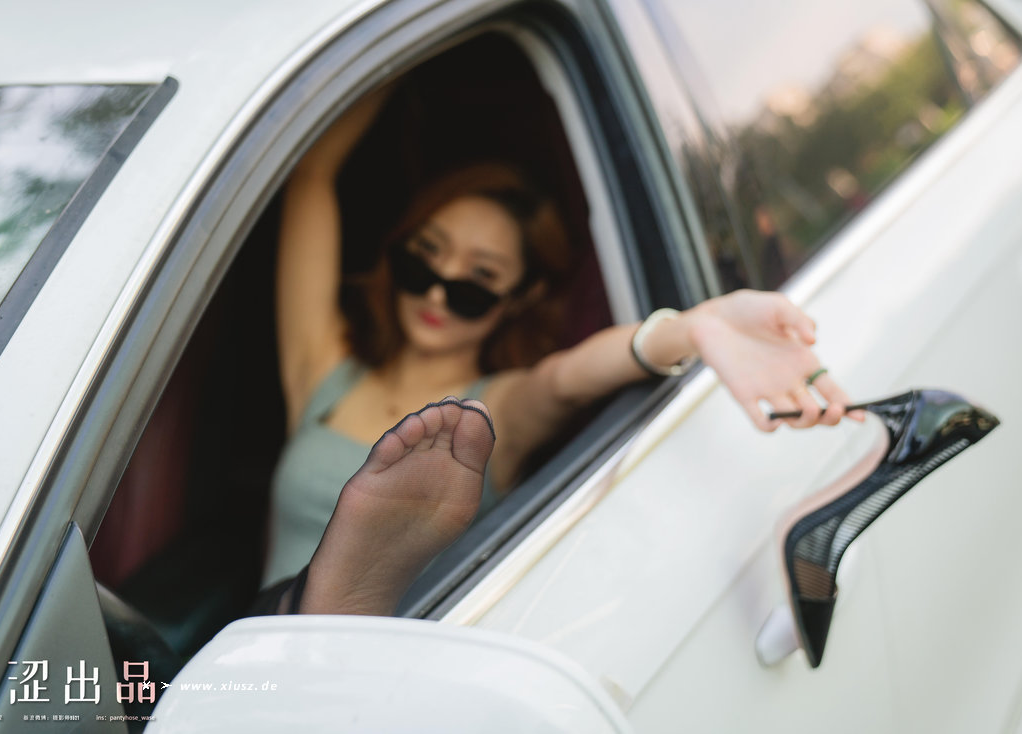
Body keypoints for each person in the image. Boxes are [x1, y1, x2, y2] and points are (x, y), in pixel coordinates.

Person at [259, 85, 861, 604]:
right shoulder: (324, 368)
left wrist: (693, 327)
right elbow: (311, 177)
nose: (439, 290)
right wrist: (384, 55)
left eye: (478, 279)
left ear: (520, 296)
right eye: (426, 255)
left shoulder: (487, 413)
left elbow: (566, 380)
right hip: (246, 649)